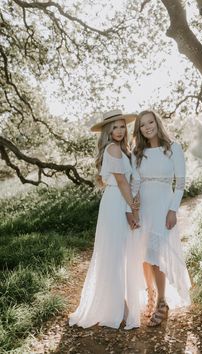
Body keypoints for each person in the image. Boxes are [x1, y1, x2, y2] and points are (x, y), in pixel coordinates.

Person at [69, 109, 139, 329]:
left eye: (122, 126)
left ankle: (119, 303)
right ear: (108, 131)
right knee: (116, 254)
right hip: (116, 202)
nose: (119, 131)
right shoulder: (113, 148)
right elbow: (121, 182)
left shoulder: (121, 149)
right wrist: (134, 208)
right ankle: (121, 308)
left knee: (118, 252)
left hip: (116, 200)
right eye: (114, 127)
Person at [126, 109, 191, 327]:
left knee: (157, 254)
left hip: (163, 206)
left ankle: (163, 302)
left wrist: (173, 210)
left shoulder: (173, 148)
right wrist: (132, 209)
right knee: (145, 254)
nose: (147, 127)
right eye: (142, 124)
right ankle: (151, 294)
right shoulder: (137, 153)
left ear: (157, 122)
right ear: (139, 129)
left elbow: (180, 184)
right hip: (144, 205)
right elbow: (134, 183)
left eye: (150, 122)